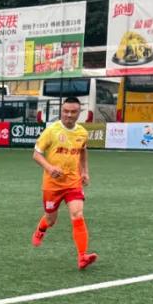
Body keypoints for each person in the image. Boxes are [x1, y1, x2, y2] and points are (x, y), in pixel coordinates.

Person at [31, 96, 97, 270]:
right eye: (65, 111)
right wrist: (49, 167)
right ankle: (41, 229)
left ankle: (82, 257)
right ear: (61, 111)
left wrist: (85, 171)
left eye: (73, 112)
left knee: (77, 214)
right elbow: (36, 154)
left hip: (73, 182)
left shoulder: (82, 133)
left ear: (79, 113)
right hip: (52, 184)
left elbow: (83, 152)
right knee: (51, 220)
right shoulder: (51, 131)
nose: (69, 115)